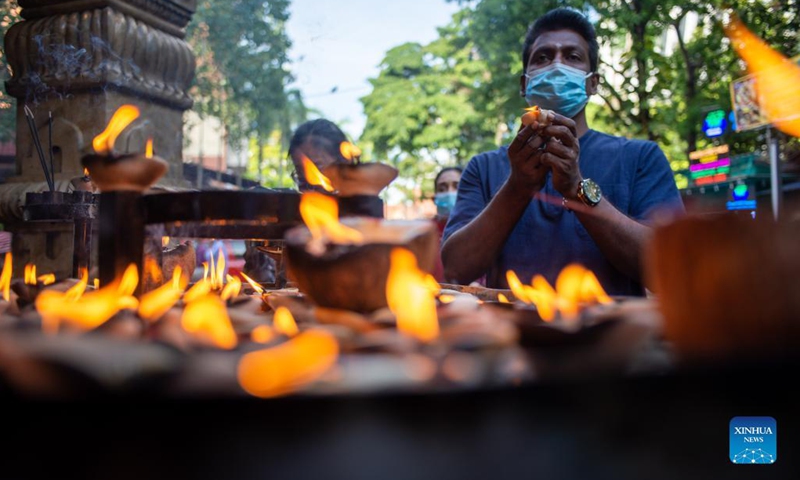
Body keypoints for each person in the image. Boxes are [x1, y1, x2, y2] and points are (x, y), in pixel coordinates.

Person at [441, 8, 684, 296]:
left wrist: (576, 189)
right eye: (543, 57)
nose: (557, 66)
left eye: (572, 56)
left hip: (614, 337)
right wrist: (518, 186)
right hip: (512, 337)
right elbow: (456, 267)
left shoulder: (640, 158)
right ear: (525, 83)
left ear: (592, 83)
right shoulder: (484, 167)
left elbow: (671, 265)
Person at [243, 118, 352, 285]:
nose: (308, 181)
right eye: (300, 173)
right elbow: (268, 284)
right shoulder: (291, 217)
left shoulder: (360, 217)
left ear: (344, 163)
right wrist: (258, 262)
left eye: (317, 168)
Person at [431, 166, 462, 282]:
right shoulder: (424, 232)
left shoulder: (483, 230)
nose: (449, 193)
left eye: (457, 186)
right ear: (435, 198)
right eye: (442, 189)